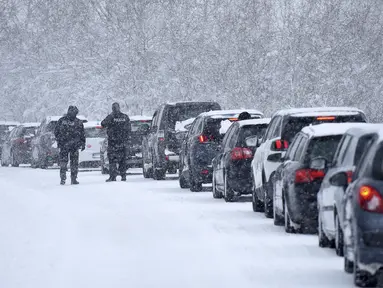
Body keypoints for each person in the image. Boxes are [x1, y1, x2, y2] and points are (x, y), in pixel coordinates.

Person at [54, 106, 86, 185]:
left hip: (71, 145)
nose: (74, 114)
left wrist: (82, 143)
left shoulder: (64, 121)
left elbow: (82, 134)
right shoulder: (64, 121)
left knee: (70, 163)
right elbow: (56, 132)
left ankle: (71, 178)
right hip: (67, 145)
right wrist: (60, 140)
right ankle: (65, 178)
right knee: (66, 163)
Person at [101, 102, 131, 182]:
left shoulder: (111, 117)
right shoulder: (125, 117)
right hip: (122, 142)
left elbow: (103, 124)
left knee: (112, 160)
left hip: (113, 142)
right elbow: (129, 129)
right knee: (122, 160)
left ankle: (113, 176)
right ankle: (123, 176)